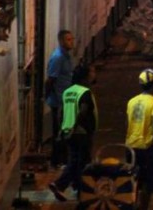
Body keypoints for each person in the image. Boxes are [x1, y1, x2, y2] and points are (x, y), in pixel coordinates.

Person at [49, 63, 98, 202]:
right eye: (92, 71)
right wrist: (76, 126)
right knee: (81, 161)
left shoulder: (68, 91)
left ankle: (78, 189)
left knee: (75, 160)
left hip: (68, 131)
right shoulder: (85, 92)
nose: (94, 74)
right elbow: (82, 112)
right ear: (85, 76)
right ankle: (61, 184)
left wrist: (62, 130)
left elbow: (61, 113)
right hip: (80, 132)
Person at [126, 68, 153, 210]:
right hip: (146, 146)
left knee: (135, 179)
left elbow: (128, 124)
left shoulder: (131, 102)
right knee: (148, 182)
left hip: (130, 146)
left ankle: (132, 203)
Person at [45, 29, 75, 168]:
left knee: (65, 130)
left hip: (65, 99)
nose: (71, 42)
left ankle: (62, 159)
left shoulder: (66, 56)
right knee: (59, 132)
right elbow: (51, 79)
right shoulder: (58, 58)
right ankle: (56, 161)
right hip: (58, 100)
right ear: (62, 41)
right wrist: (47, 97)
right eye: (68, 40)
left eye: (72, 39)